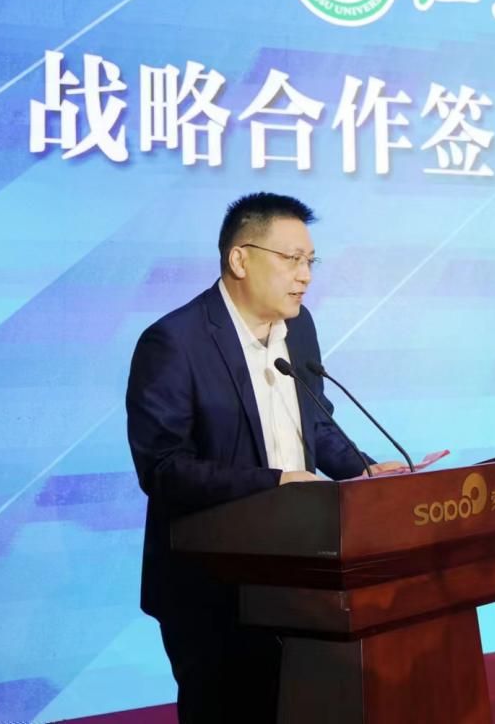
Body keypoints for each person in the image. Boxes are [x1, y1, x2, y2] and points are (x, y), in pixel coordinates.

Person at [126, 192, 404, 723]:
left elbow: (314, 422)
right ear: (240, 258)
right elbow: (163, 469)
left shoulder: (300, 328)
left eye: (311, 261)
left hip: (299, 574)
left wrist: (363, 471)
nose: (305, 275)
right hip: (211, 585)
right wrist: (274, 484)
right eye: (292, 259)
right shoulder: (174, 342)